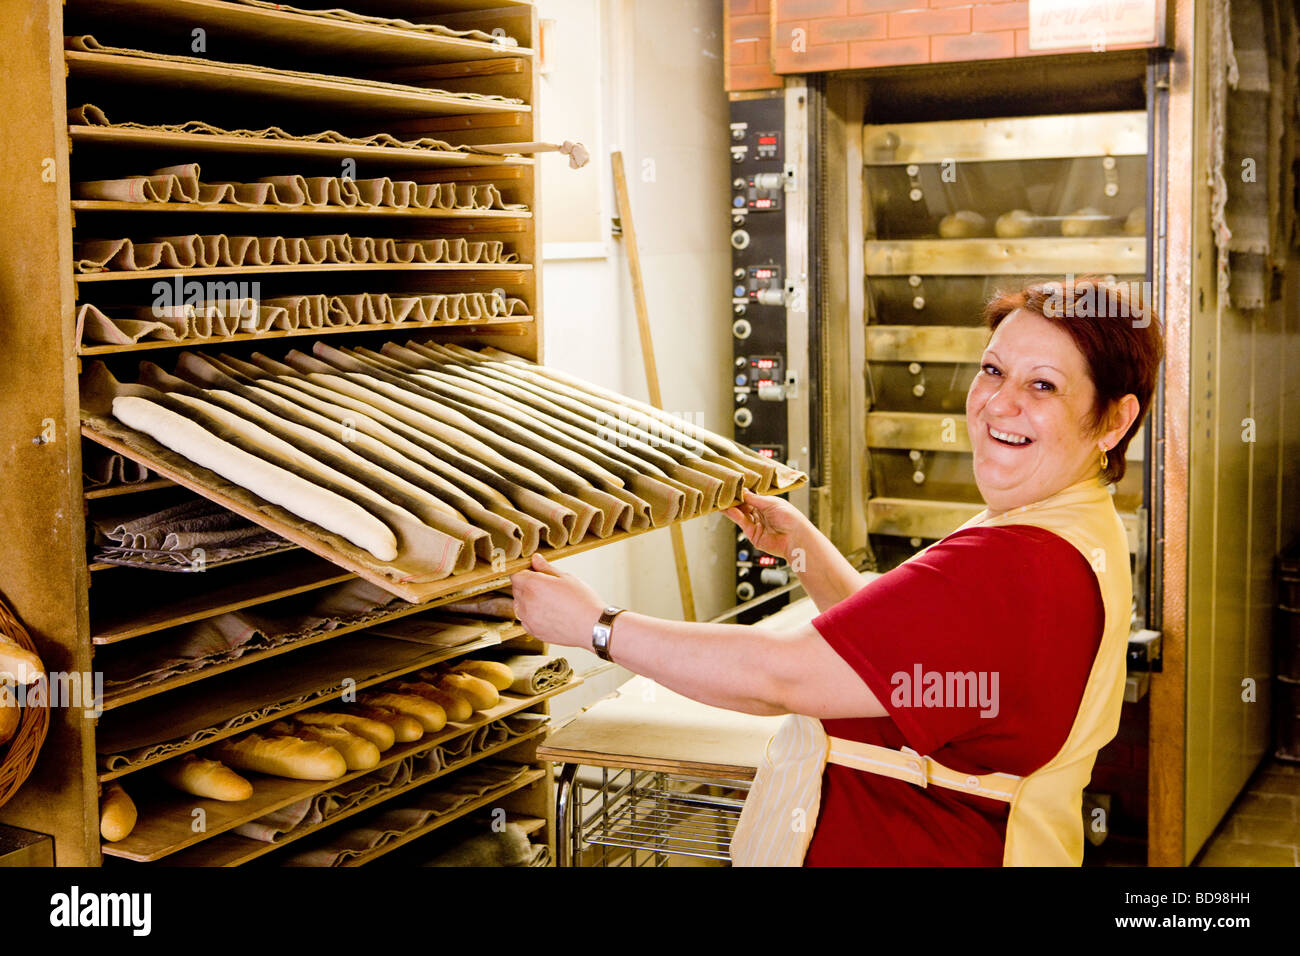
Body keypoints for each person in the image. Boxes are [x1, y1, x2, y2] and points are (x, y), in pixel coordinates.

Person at [511, 276, 1165, 866]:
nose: (998, 405)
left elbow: (780, 677)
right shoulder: (1070, 528)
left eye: (1042, 384)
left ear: (1113, 419)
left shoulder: (1019, 562)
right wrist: (804, 551)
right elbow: (897, 669)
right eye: (993, 370)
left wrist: (596, 626)